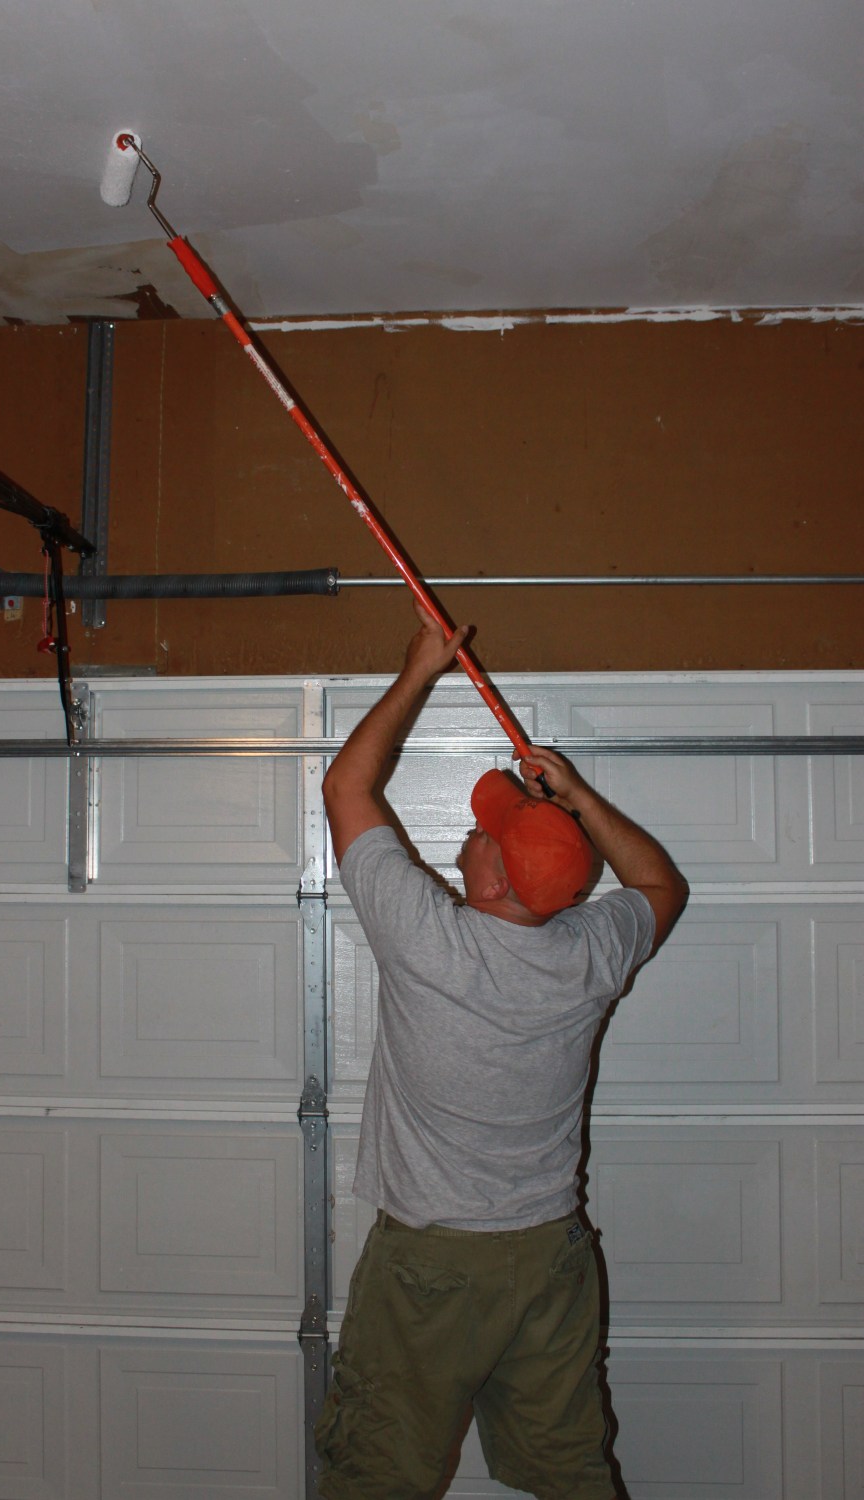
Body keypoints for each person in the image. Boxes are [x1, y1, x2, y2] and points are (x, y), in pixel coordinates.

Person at [315, 599, 688, 1500]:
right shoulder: (584, 957)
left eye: (482, 830)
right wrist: (582, 800)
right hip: (548, 1263)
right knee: (567, 1472)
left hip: (432, 1271)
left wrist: (418, 673)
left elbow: (345, 791)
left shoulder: (432, 943)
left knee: (376, 1475)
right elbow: (659, 883)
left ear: (493, 876)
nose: (466, 833)